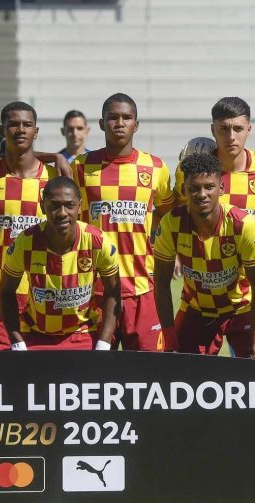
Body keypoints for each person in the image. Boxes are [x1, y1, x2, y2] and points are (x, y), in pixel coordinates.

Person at [172, 97, 255, 360]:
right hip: (200, 292)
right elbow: (175, 212)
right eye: (223, 128)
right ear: (213, 130)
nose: (231, 136)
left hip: (248, 293)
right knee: (182, 375)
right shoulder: (195, 173)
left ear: (249, 129)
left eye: (238, 129)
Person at [70, 93, 175, 352]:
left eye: (127, 118)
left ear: (136, 125)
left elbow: (167, 213)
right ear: (102, 123)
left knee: (147, 373)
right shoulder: (81, 167)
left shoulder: (155, 167)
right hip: (95, 290)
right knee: (95, 376)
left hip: (141, 287)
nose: (119, 123)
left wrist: (165, 251)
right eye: (113, 117)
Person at [0, 101, 67, 352]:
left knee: (40, 384)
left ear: (36, 131)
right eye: (13, 124)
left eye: (27, 125)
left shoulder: (55, 179)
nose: (20, 130)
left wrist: (56, 158)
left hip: (44, 297)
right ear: (1, 130)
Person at [153, 153, 255, 359]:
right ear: (183, 191)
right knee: (178, 374)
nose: (202, 194)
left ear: (222, 188)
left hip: (241, 309)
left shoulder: (243, 225)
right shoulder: (171, 224)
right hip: (196, 309)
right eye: (194, 188)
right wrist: (169, 336)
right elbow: (161, 281)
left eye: (209, 186)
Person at [0, 177, 120, 350]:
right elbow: (6, 291)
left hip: (82, 333)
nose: (62, 213)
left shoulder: (97, 241)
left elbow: (113, 291)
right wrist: (16, 341)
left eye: (69, 205)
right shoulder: (25, 242)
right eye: (54, 206)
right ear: (42, 206)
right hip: (36, 335)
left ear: (79, 206)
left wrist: (104, 342)